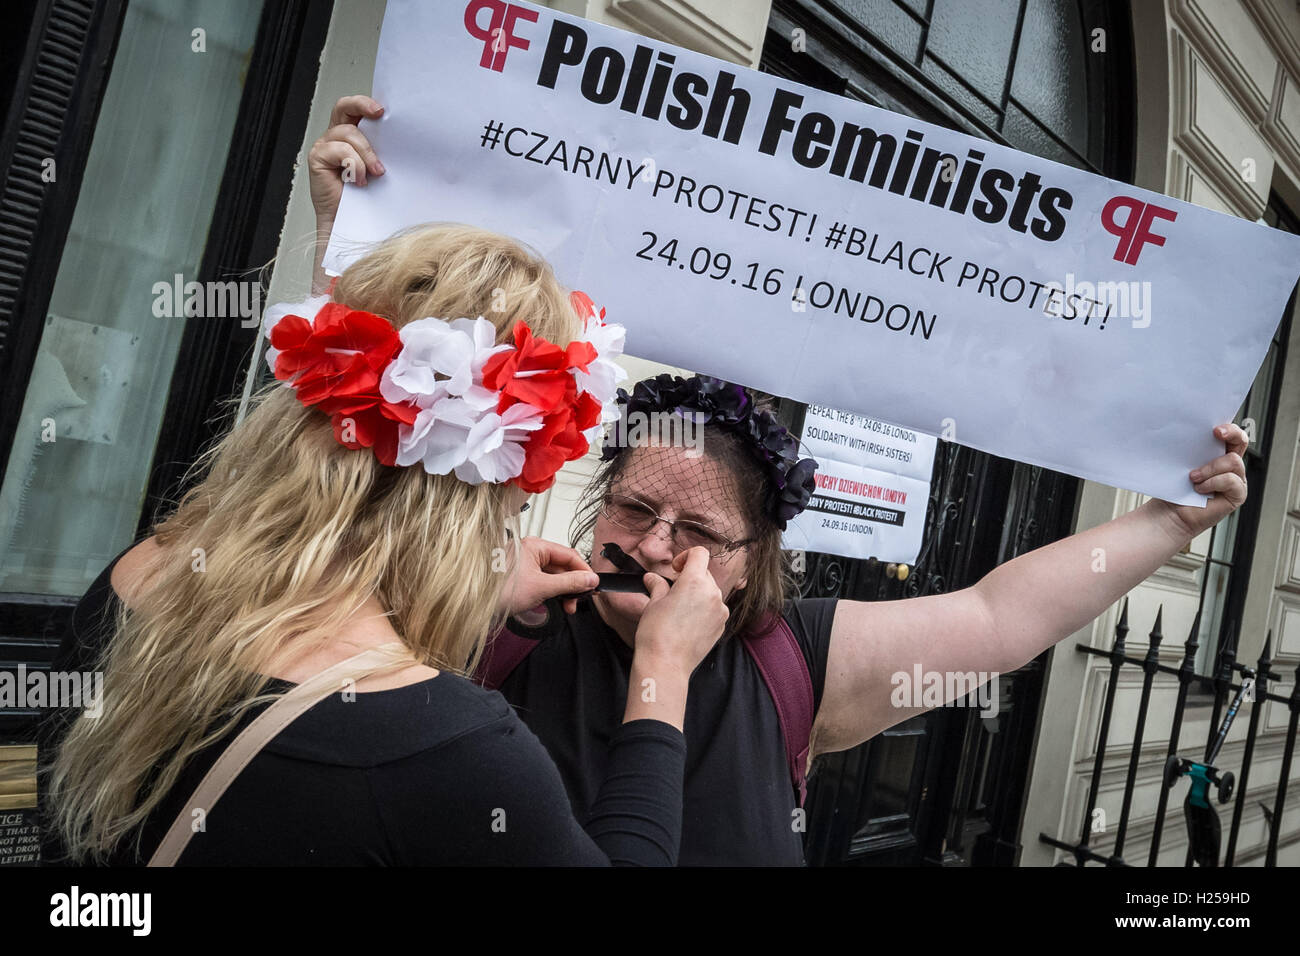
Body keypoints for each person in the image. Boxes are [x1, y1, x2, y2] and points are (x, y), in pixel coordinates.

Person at [311, 96, 1252, 866]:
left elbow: (1000, 621)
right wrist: (349, 243)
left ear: (753, 558)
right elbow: (356, 471)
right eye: (636, 508)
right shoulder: (495, 613)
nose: (651, 546)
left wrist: (1174, 519)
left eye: (697, 532)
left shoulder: (793, 661)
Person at [37, 213, 731, 866]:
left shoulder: (143, 574)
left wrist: (470, 581)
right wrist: (663, 672)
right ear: (510, 464)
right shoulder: (458, 754)